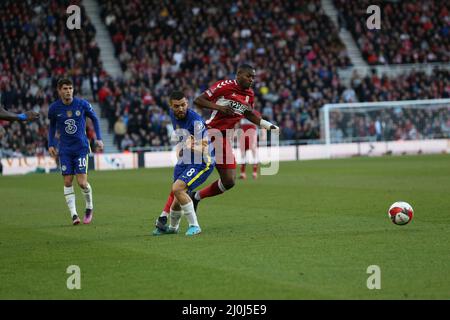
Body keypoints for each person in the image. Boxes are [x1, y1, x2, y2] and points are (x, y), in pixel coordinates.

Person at [152, 91, 215, 236]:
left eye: (183, 105)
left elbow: (204, 148)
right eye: (176, 106)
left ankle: (195, 226)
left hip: (202, 161)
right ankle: (173, 228)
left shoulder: (196, 122)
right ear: (171, 106)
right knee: (177, 193)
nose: (180, 108)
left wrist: (189, 146)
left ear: (187, 103)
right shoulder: (172, 114)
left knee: (178, 188)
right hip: (186, 159)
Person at [48, 78, 103, 225]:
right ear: (59, 90)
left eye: (70, 88)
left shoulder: (82, 104)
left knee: (82, 183)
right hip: (65, 149)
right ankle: (74, 215)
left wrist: (99, 138)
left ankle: (89, 207)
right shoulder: (54, 108)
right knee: (67, 181)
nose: (68, 91)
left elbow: (95, 119)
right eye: (65, 88)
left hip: (81, 148)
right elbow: (52, 126)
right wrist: (51, 144)